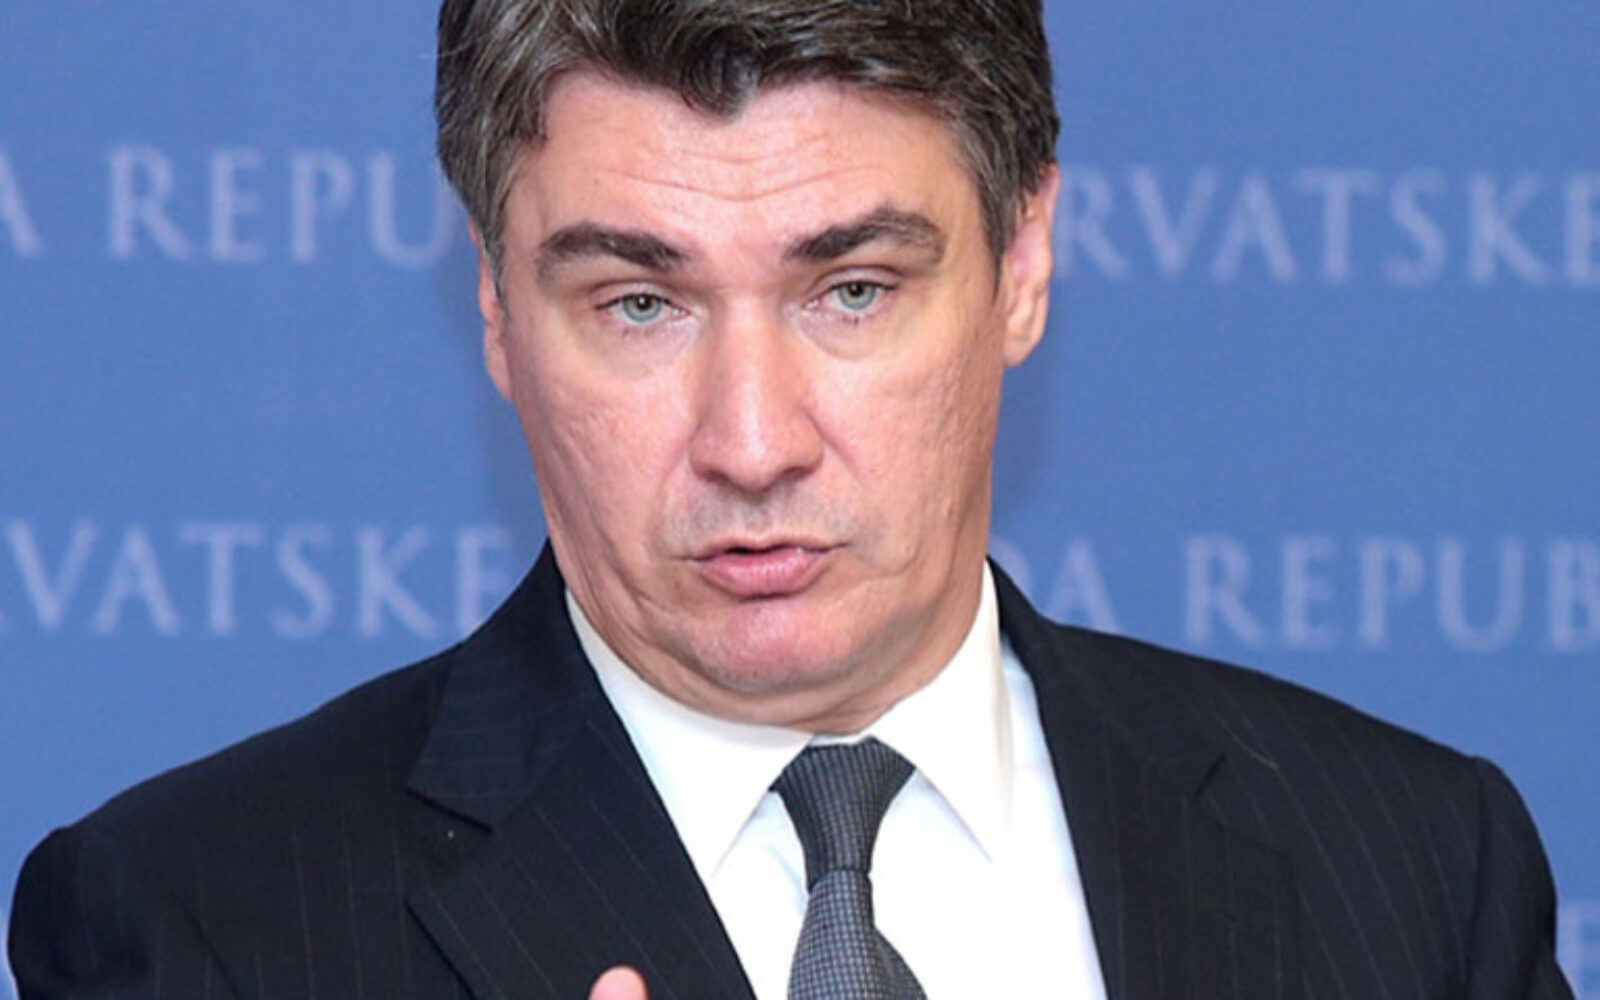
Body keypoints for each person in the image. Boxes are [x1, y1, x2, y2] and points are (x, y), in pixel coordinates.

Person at [8, 1, 1574, 998]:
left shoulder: (1416, 875)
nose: (752, 443)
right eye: (640, 304)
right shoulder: (199, 925)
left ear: (1024, 264)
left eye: (853, 290)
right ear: (494, 310)